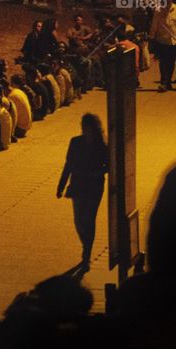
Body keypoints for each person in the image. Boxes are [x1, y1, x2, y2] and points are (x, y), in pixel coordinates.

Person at [56, 112, 108, 270]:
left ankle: (86, 254)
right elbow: (68, 164)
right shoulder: (75, 142)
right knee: (79, 220)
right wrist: (61, 185)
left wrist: (99, 172)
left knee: (89, 218)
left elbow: (109, 165)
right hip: (78, 184)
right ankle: (86, 245)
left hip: (94, 185)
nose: (85, 130)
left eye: (88, 128)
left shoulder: (102, 146)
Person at [149, 0, 176, 91]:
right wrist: (152, 38)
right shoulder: (158, 10)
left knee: (171, 62)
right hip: (162, 40)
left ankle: (168, 81)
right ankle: (164, 82)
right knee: (163, 62)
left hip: (174, 40)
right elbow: (154, 24)